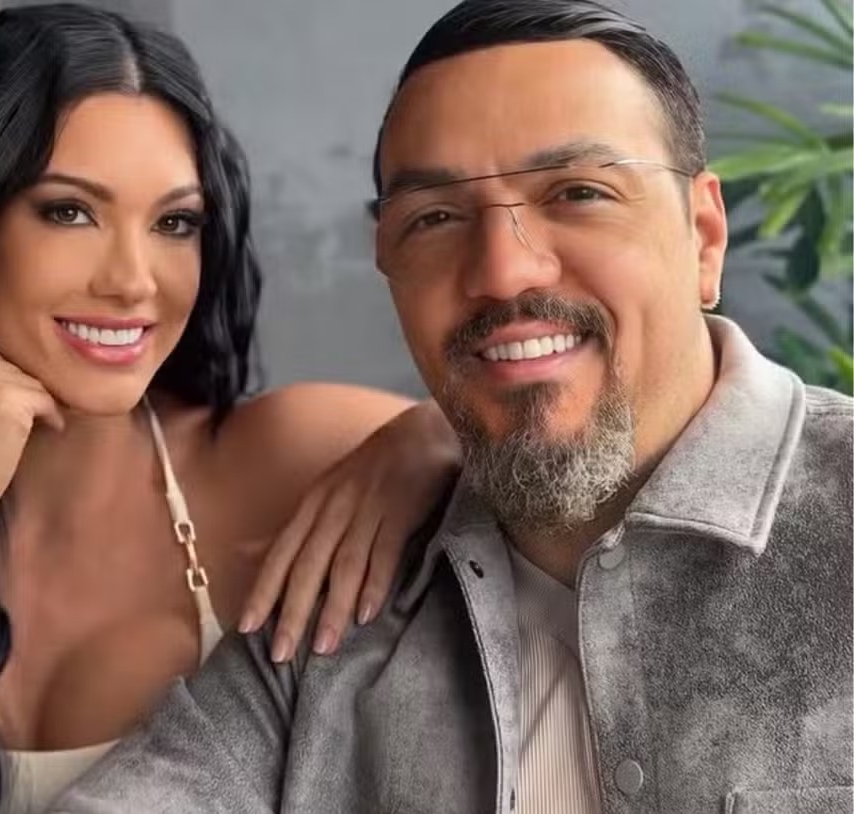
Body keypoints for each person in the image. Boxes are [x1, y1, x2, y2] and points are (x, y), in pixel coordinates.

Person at [49, 1, 854, 812]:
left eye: (578, 193)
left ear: (704, 237)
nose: (503, 272)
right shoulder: (335, 612)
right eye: (434, 218)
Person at [0, 6, 462, 813]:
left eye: (175, 223)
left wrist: (427, 433)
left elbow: (532, 442)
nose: (133, 280)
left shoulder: (283, 454)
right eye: (69, 211)